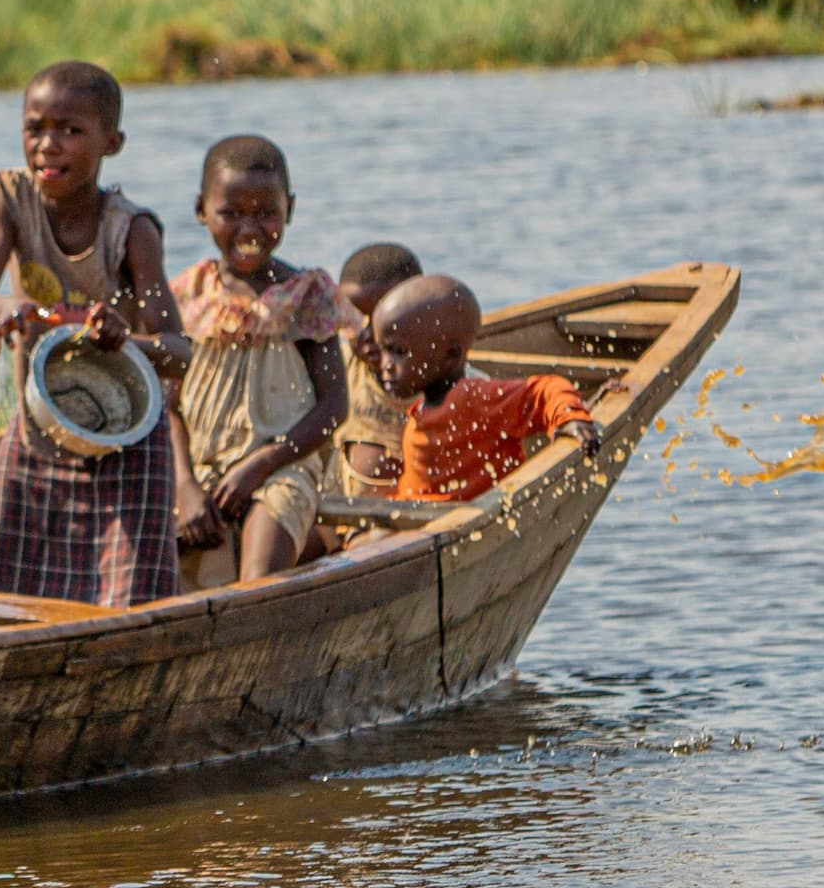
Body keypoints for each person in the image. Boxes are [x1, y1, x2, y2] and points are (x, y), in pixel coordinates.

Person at [0, 60, 191, 607]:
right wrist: (7, 307)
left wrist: (125, 341)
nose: (48, 145)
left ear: (112, 142)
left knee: (128, 605)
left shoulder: (131, 232)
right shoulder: (12, 203)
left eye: (70, 131)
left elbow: (178, 351)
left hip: (128, 441)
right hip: (40, 428)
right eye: (35, 129)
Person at [169, 136, 348, 582]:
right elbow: (166, 406)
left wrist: (262, 463)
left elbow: (333, 409)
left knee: (258, 578)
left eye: (266, 213)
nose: (249, 229)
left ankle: (304, 545)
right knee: (157, 564)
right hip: (202, 472)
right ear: (201, 211)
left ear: (289, 209)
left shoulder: (308, 294)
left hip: (282, 469)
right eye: (231, 213)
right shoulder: (187, 295)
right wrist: (184, 483)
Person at [368, 274, 604, 505]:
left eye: (398, 352)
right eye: (383, 351)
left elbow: (544, 390)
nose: (385, 365)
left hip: (459, 520)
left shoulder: (475, 399)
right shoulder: (421, 409)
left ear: (450, 355)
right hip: (418, 516)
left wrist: (570, 418)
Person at [330, 240, 424, 501]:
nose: (368, 333)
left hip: (412, 520)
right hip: (340, 515)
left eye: (385, 318)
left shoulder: (443, 376)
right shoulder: (337, 367)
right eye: (355, 318)